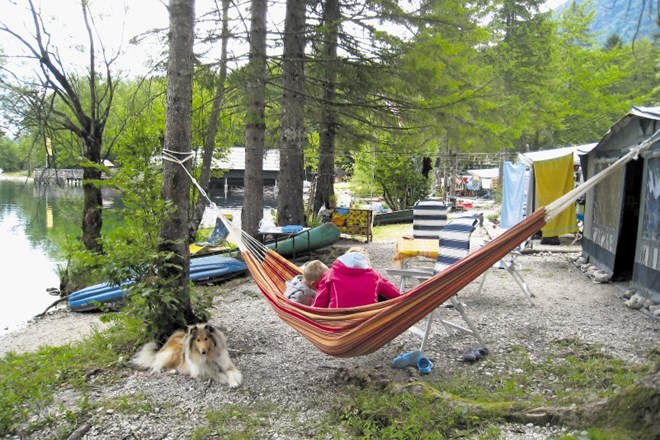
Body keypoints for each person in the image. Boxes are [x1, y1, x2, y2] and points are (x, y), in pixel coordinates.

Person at [311, 246, 401, 308]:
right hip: (368, 323)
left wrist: (308, 316)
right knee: (380, 296)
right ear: (366, 261)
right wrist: (412, 300)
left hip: (338, 323)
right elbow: (396, 295)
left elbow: (318, 304)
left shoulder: (330, 274)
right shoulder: (375, 275)